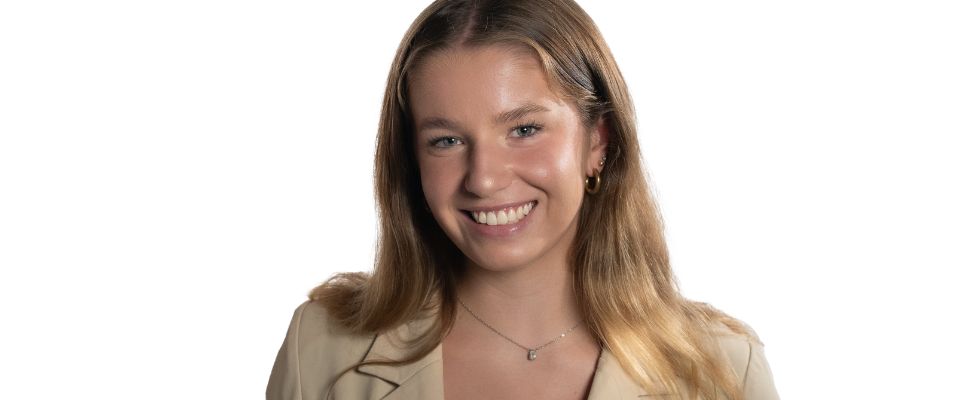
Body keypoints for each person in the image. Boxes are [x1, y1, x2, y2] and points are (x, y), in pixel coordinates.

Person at [267, 0, 780, 399]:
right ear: (412, 160)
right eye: (446, 140)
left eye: (525, 128)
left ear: (597, 141)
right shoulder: (321, 352)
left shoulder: (723, 369)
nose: (484, 179)